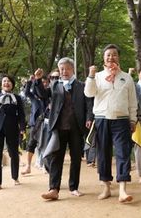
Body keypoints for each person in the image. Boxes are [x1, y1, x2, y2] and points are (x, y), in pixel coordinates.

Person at [84, 44, 138, 203]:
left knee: (123, 153)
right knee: (103, 154)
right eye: (108, 55)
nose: (111, 57)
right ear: (104, 58)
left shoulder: (126, 78)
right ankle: (106, 187)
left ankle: (122, 190)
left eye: (114, 54)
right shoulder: (98, 76)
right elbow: (89, 93)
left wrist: (133, 119)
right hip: (101, 119)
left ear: (118, 57)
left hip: (121, 120)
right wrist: (91, 76)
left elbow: (133, 102)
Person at [40, 57, 93, 200]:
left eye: (67, 68)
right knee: (56, 158)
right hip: (59, 127)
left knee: (76, 158)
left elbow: (89, 104)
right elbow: (43, 95)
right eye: (61, 69)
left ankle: (74, 187)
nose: (64, 71)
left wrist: (89, 118)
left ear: (72, 70)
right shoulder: (55, 85)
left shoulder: (81, 85)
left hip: (76, 127)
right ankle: (54, 189)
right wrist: (38, 81)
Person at [21, 72, 50, 175]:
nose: (44, 84)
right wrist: (30, 81)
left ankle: (44, 166)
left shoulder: (48, 96)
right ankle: (28, 166)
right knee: (31, 145)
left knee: (45, 145)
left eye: (46, 82)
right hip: (35, 124)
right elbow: (26, 92)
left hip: (46, 123)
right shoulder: (33, 97)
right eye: (42, 82)